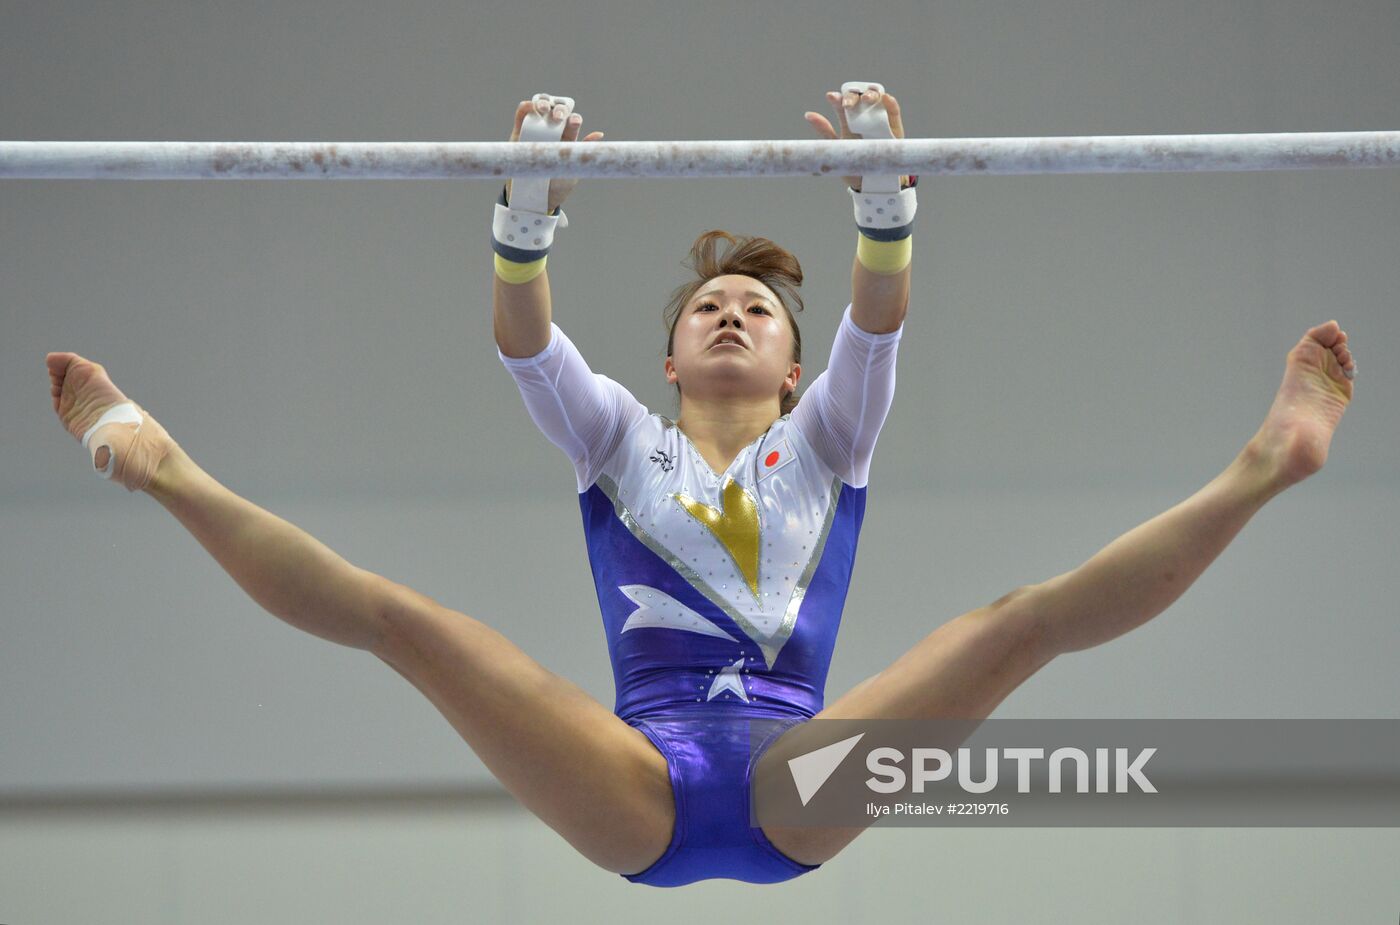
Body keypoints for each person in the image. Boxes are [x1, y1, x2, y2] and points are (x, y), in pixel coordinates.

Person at [45, 88, 1357, 888]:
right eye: (708, 309)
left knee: (1017, 623)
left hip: (800, 771)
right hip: (638, 774)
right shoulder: (615, 437)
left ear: (793, 366)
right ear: (668, 355)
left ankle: (1260, 470)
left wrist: (888, 202)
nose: (733, 316)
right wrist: (524, 224)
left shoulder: (836, 432)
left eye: (757, 311)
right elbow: (524, 344)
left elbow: (881, 319)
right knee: (409, 623)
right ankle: (167, 470)